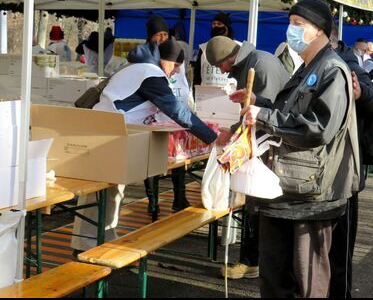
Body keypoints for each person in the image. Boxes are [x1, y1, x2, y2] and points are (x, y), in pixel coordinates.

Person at [230, 0, 360, 297]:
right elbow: (290, 113)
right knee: (275, 276)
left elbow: (318, 127)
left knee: (308, 281)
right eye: (290, 24)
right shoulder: (308, 67)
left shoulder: (332, 70)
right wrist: (256, 104)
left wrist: (262, 115)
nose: (291, 31)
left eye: (298, 25)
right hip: (286, 189)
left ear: (320, 30)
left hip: (311, 196)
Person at [71, 37, 217, 254]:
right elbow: (177, 111)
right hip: (108, 134)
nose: (177, 72)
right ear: (165, 60)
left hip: (109, 131)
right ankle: (84, 245)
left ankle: (105, 239)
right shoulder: (151, 75)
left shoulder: (136, 68)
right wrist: (211, 137)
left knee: (112, 192)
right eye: (176, 65)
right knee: (98, 193)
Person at [205, 35, 290, 280]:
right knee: (253, 203)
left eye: (219, 65)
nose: (221, 71)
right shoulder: (252, 62)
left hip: (269, 148)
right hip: (262, 145)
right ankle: (254, 260)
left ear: (228, 59)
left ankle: (253, 261)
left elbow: (264, 113)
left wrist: (232, 132)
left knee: (257, 203)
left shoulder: (259, 65)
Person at [328, 23, 373, 298]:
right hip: (314, 175)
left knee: (339, 251)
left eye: (299, 25)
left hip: (343, 175)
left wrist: (361, 91)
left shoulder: (347, 61)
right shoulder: (303, 65)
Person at [139, 15, 193, 214]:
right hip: (152, 119)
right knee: (152, 162)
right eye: (158, 35)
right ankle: (153, 202)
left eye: (165, 34)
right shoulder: (145, 58)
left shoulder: (174, 52)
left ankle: (179, 197)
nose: (162, 38)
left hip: (174, 116)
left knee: (179, 158)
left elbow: (183, 82)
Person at [193, 12, 240, 91]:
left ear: (226, 27)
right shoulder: (204, 47)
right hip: (207, 93)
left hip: (230, 94)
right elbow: (198, 72)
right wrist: (196, 91)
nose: (216, 26)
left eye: (219, 24)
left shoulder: (237, 47)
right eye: (214, 24)